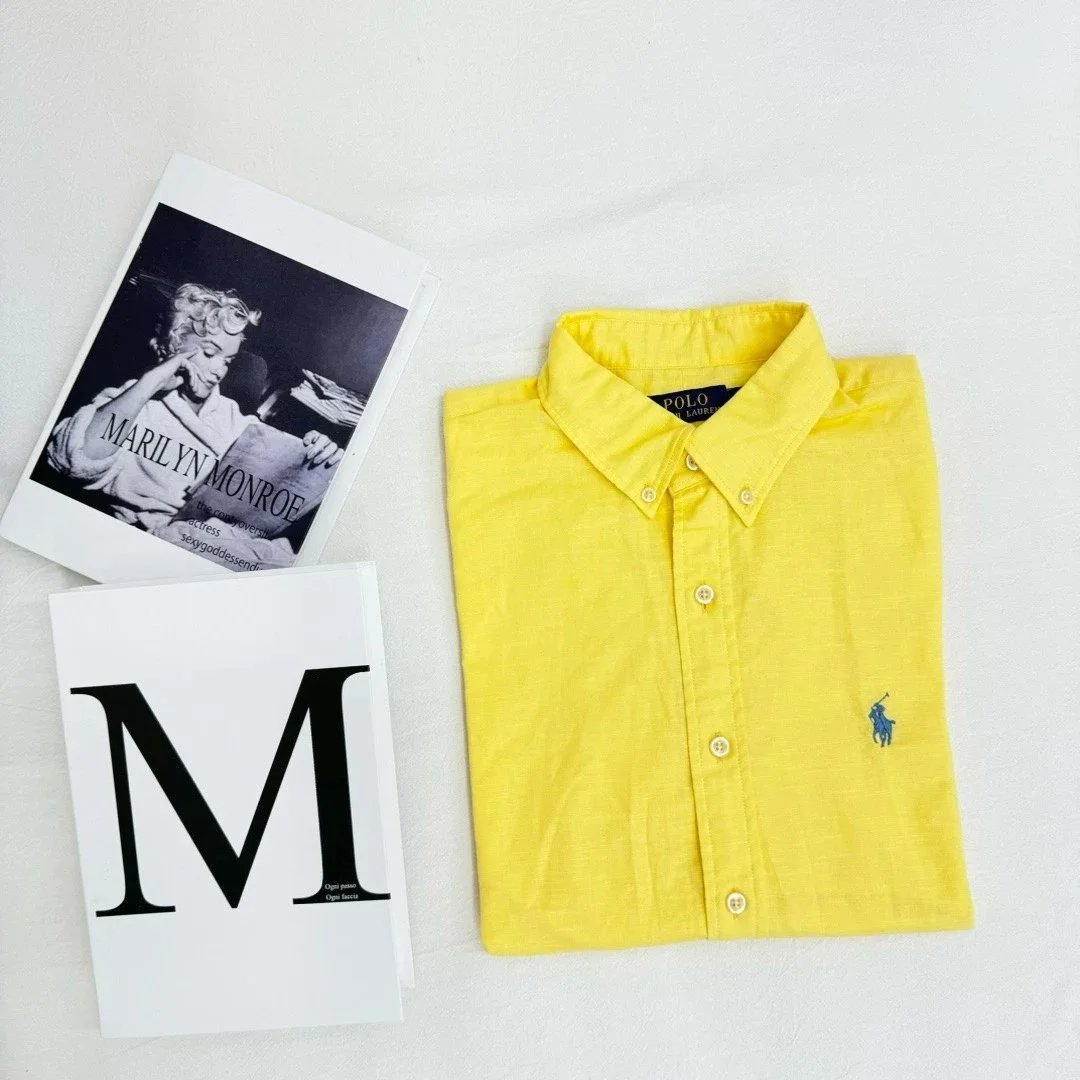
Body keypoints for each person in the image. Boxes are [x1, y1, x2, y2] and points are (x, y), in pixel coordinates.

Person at [46, 282, 343, 568]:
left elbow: (274, 462)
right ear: (169, 346)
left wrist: (314, 453)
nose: (218, 371)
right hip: (161, 543)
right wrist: (152, 381)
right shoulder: (130, 404)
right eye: (210, 353)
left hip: (232, 541)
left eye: (228, 361)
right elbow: (72, 460)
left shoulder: (230, 415)